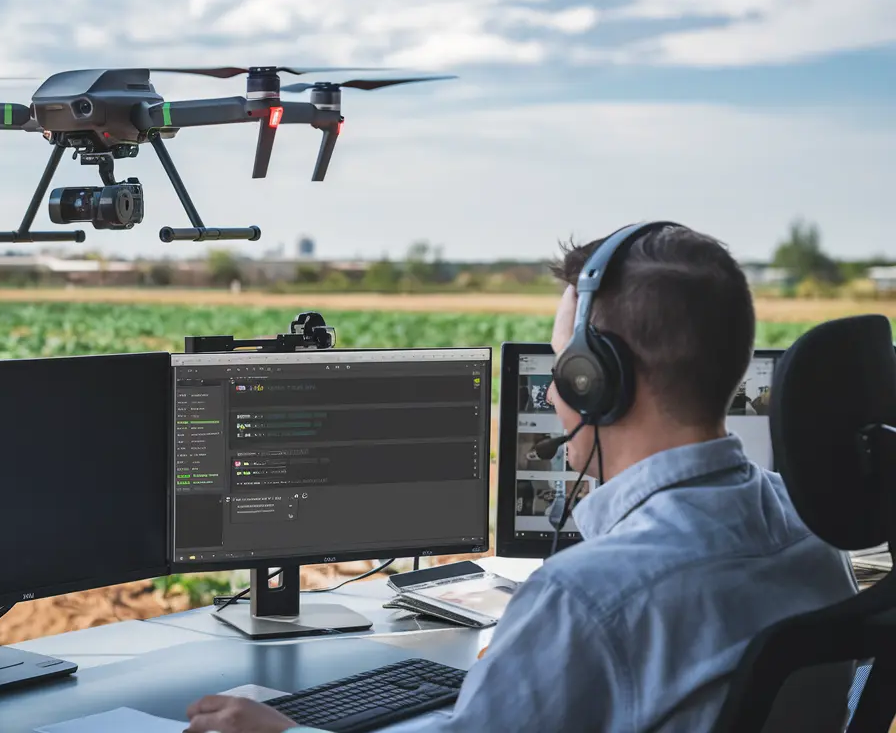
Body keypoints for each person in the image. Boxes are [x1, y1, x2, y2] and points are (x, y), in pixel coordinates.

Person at [182, 223, 859, 733]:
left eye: (564, 364)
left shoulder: (586, 599)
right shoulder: (813, 532)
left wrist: (286, 729)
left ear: (599, 383)